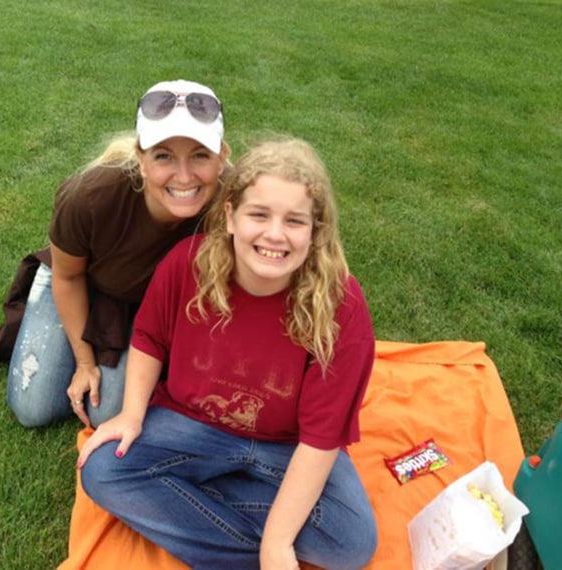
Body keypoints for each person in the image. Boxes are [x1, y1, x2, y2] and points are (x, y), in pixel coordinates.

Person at [78, 138, 378, 570]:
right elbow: (148, 338)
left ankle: (201, 506)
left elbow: (321, 437)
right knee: (103, 471)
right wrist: (131, 415)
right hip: (190, 425)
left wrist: (277, 539)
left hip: (287, 447)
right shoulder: (187, 264)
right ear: (230, 216)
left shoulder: (341, 305)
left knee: (350, 543)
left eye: (295, 221)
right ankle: (248, 547)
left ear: (315, 233)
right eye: (259, 214)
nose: (275, 235)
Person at [6, 80, 230, 428]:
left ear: (222, 158)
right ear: (141, 160)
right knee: (34, 409)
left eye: (200, 155)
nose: (184, 176)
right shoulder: (91, 196)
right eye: (164, 156)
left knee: (106, 412)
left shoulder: (236, 203)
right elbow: (67, 276)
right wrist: (84, 362)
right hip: (79, 280)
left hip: (145, 304)